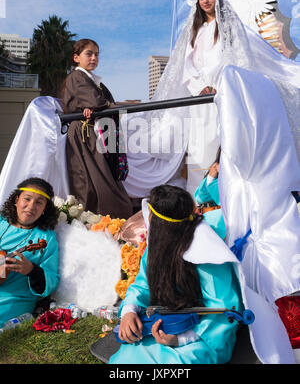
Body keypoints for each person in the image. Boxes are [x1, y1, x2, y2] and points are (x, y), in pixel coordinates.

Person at [109, 184, 243, 364]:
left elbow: (223, 309)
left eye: (150, 218)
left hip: (204, 336)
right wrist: (129, 311)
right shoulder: (158, 245)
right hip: (167, 322)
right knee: (129, 358)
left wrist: (181, 339)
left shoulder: (206, 253)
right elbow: (142, 284)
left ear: (161, 226)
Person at [61, 38, 132, 219]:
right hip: (83, 134)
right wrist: (99, 105)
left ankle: (105, 217)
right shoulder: (77, 77)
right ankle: (100, 219)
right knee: (90, 180)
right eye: (89, 54)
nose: (94, 58)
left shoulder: (93, 80)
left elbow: (104, 103)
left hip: (94, 131)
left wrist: (100, 105)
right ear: (76, 57)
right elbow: (98, 102)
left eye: (96, 54)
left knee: (101, 177)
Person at [0, 177, 60, 328]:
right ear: (16, 199)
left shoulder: (46, 238)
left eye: (39, 202)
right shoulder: (1, 222)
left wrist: (32, 271)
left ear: (45, 208)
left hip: (13, 299)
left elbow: (52, 279)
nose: (31, 206)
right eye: (27, 199)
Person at [194, 147, 226, 241]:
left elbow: (226, 200)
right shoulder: (217, 172)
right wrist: (210, 177)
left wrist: (211, 181)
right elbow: (201, 197)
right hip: (204, 217)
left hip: (218, 221)